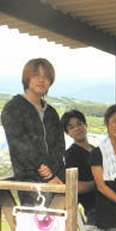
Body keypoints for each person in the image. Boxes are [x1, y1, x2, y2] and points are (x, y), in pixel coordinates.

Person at [1, 58, 65, 206]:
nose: (41, 80)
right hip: (30, 181)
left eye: (46, 77)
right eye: (36, 75)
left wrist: (53, 171)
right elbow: (20, 146)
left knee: (60, 225)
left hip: (57, 178)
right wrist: (46, 172)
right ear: (27, 78)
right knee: (37, 224)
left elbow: (59, 145)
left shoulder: (51, 113)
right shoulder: (13, 108)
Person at [61, 109, 97, 226]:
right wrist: (99, 183)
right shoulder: (70, 154)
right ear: (67, 133)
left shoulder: (97, 150)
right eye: (71, 127)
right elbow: (75, 186)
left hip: (112, 202)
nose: (77, 128)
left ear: (86, 125)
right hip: (94, 208)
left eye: (79, 124)